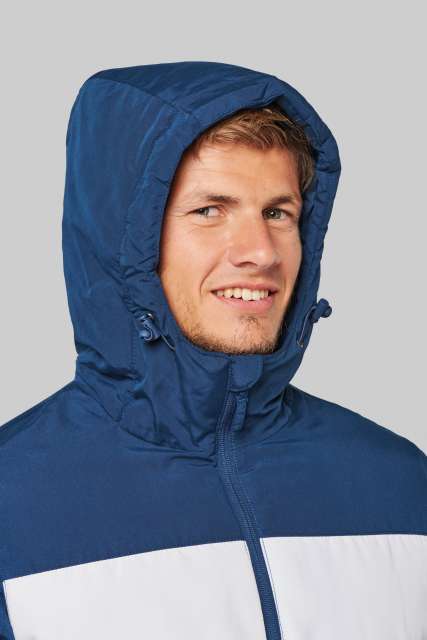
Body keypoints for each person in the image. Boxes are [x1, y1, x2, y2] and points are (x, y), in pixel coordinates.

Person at [0, 61, 426, 639]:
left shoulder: (399, 484)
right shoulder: (13, 503)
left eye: (277, 213)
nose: (261, 252)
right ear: (121, 242)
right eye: (210, 211)